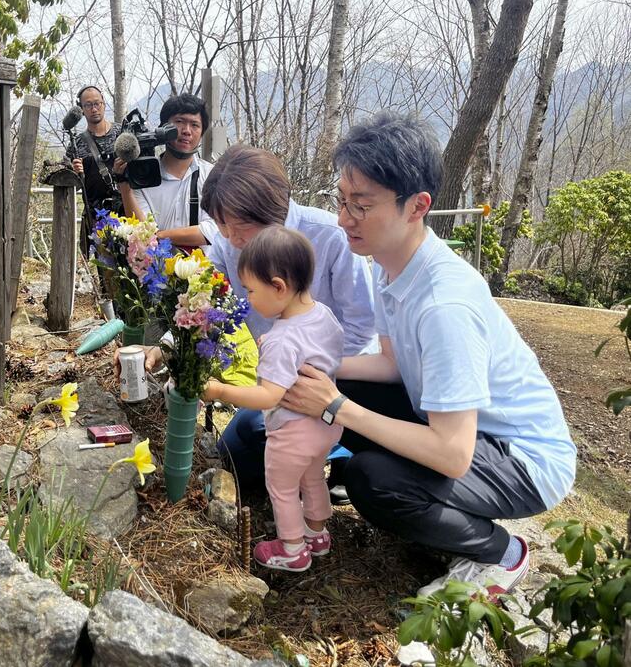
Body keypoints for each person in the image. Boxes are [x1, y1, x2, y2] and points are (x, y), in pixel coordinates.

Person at [279, 111, 576, 597]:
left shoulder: (444, 304)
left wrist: (334, 406)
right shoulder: (388, 264)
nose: (342, 218)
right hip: (461, 429)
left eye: (361, 205)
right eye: (341, 201)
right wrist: (317, 370)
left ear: (416, 206)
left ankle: (501, 553)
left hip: (521, 458)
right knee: (341, 386)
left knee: (373, 481)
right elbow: (392, 365)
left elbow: (453, 454)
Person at [118, 145, 376, 489]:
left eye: (239, 228)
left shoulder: (331, 238)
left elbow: (362, 329)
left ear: (274, 211)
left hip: (337, 379)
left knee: (288, 444)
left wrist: (313, 379)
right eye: (222, 227)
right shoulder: (229, 245)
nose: (230, 239)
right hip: (278, 385)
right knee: (236, 457)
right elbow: (207, 305)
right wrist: (166, 347)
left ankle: (343, 454)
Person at [202, 226, 344, 572]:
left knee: (281, 486)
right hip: (326, 424)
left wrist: (219, 390)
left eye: (251, 290)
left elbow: (268, 396)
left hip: (293, 432)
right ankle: (318, 533)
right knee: (312, 476)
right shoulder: (322, 315)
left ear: (279, 286)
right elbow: (324, 352)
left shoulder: (281, 338)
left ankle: (293, 548)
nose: (247, 298)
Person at [118, 93, 218, 248]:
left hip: (205, 271)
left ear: (202, 132)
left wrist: (159, 236)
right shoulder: (143, 177)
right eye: (179, 122)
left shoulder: (212, 176)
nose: (186, 131)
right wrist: (125, 186)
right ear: (164, 128)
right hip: (154, 270)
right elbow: (142, 233)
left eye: (195, 125)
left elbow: (212, 231)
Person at [65, 86, 123, 258]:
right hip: (95, 216)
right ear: (82, 110)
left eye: (97, 103)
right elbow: (71, 187)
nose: (94, 109)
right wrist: (75, 174)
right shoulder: (77, 144)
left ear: (104, 104)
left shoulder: (122, 133)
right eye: (88, 105)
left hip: (125, 211)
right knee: (100, 270)